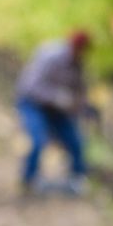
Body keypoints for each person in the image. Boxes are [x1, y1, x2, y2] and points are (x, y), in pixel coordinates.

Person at [16, 30, 91, 196]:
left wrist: (84, 107)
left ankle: (77, 178)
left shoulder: (78, 64)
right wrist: (56, 96)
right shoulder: (51, 57)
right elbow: (30, 87)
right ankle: (29, 179)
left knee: (75, 140)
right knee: (37, 139)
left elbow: (79, 92)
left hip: (56, 108)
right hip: (33, 102)